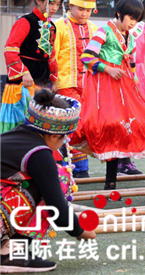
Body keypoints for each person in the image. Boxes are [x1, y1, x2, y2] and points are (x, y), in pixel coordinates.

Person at [73, 0, 145, 190]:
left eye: (137, 19)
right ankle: (109, 182)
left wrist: (133, 81)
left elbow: (129, 61)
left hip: (124, 86)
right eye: (131, 18)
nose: (133, 23)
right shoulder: (104, 31)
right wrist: (109, 69)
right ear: (120, 13)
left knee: (127, 126)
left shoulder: (129, 34)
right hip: (105, 87)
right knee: (112, 126)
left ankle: (111, 182)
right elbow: (87, 56)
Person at [1, 89, 96, 273]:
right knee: (60, 177)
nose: (64, 142)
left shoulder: (17, 136)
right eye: (64, 139)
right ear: (53, 136)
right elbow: (56, 208)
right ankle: (11, 254)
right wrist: (81, 231)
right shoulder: (39, 153)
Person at [1, 0, 63, 133]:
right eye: (51, 3)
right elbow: (10, 50)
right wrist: (24, 72)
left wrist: (54, 79)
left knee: (40, 124)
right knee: (20, 124)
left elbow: (51, 55)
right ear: (38, 0)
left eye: (57, 4)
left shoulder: (51, 26)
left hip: (42, 79)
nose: (54, 8)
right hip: (24, 80)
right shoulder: (25, 22)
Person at [53, 0, 99, 178]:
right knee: (75, 125)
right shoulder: (59, 26)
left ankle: (76, 166)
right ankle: (78, 168)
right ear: (70, 6)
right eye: (80, 9)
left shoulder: (95, 29)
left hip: (89, 87)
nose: (84, 14)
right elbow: (52, 55)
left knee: (87, 125)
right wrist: (53, 79)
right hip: (66, 84)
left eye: (88, 10)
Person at [116, 0, 145, 176]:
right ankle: (117, 160)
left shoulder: (143, 28)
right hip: (118, 75)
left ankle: (127, 160)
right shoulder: (112, 27)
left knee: (133, 120)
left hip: (137, 77)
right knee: (118, 118)